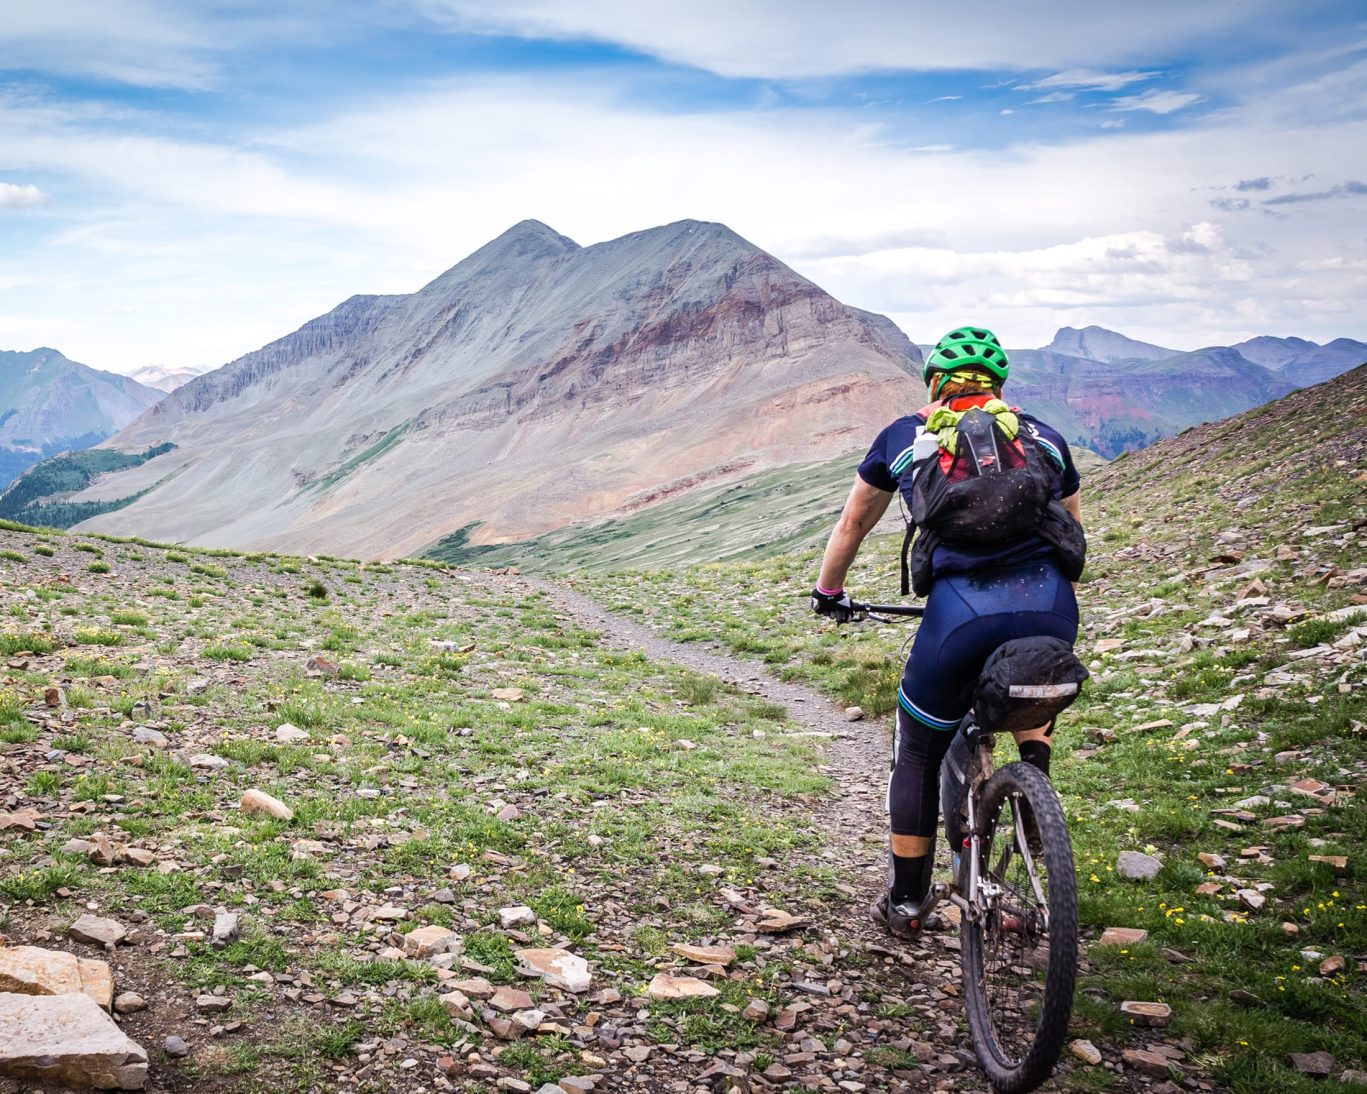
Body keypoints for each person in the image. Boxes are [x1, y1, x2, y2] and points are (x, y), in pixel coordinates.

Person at [810, 326, 1083, 938]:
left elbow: (854, 523)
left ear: (935, 382)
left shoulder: (905, 437)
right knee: (1031, 676)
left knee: (919, 746)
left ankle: (907, 902)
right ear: (1000, 386)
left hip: (959, 613)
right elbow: (1071, 535)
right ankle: (1032, 783)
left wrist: (829, 594)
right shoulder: (1045, 438)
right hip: (1049, 605)